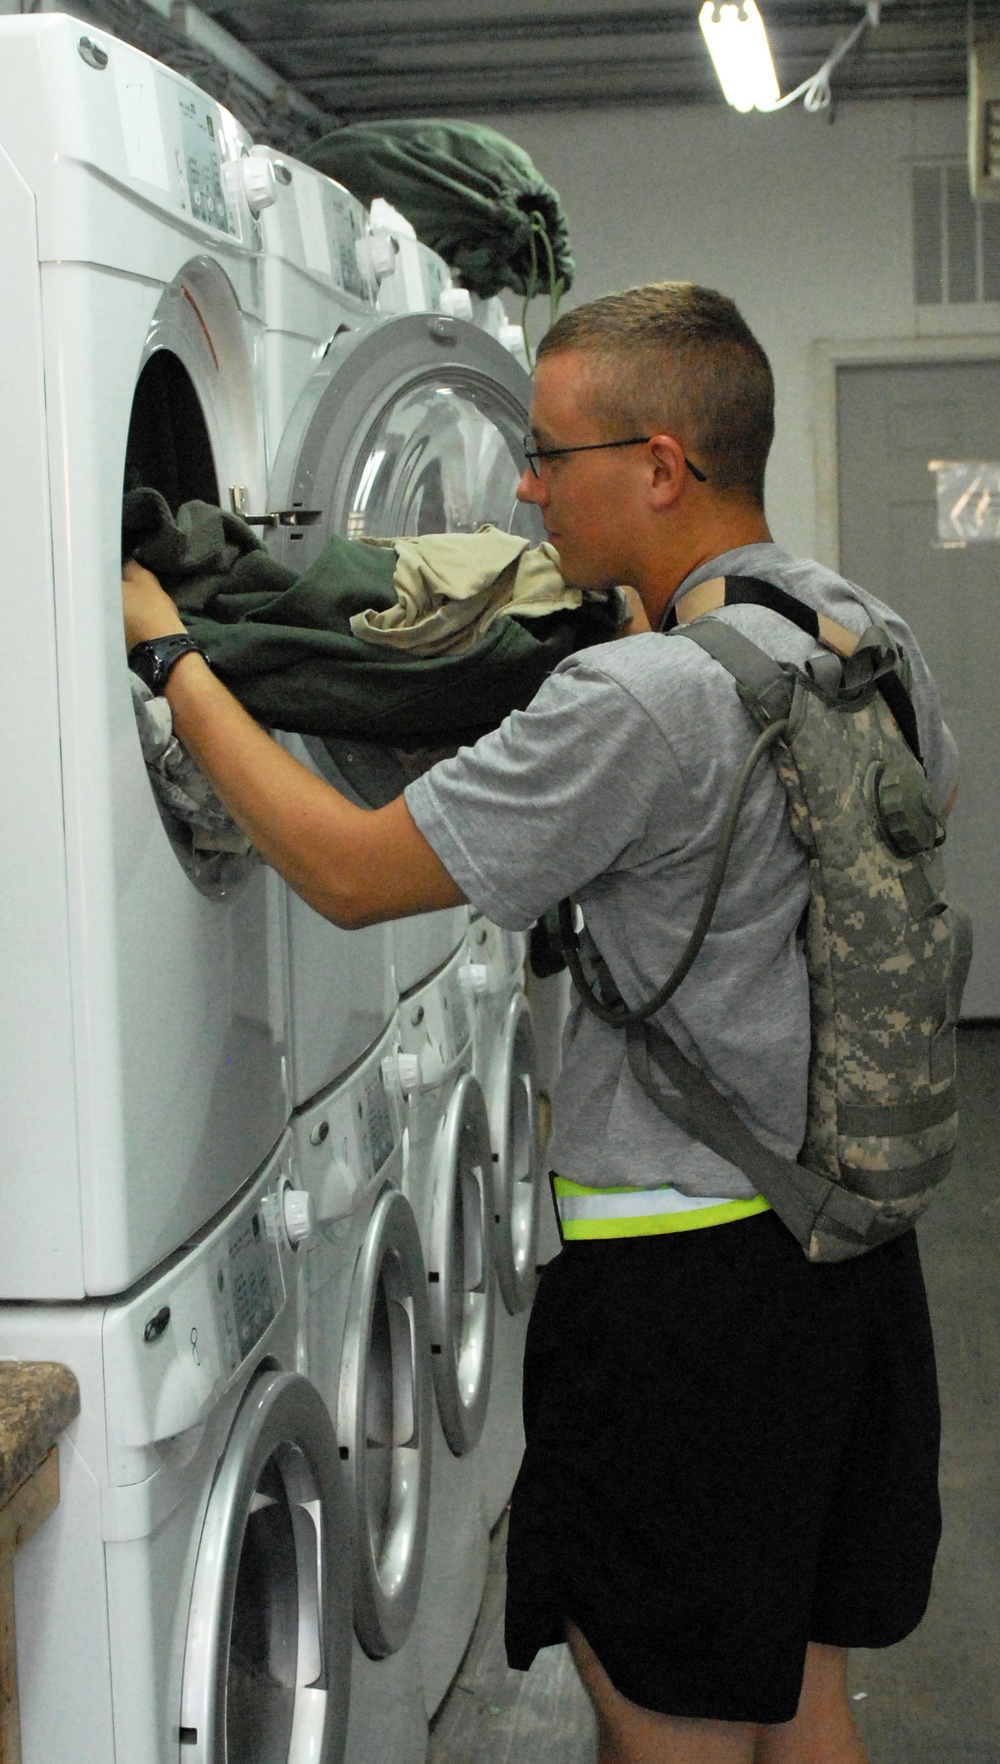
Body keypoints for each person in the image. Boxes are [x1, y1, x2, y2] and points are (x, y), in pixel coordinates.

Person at [123, 282, 956, 1764]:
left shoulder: (632, 705)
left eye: (550, 453)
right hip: (849, 1253)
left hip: (682, 1299)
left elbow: (342, 869)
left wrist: (172, 661)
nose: (521, 484)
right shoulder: (857, 628)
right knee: (801, 1680)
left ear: (660, 466)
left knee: (667, 1721)